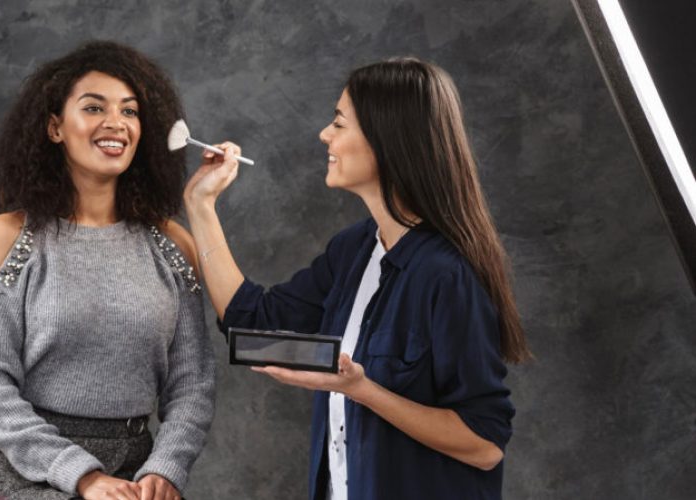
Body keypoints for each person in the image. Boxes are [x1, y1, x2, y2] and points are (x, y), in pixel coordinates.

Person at [182, 57, 530, 500]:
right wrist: (200, 206)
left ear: (388, 140)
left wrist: (361, 390)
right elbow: (252, 324)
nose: (325, 134)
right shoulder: (354, 249)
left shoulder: (448, 274)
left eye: (339, 123)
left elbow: (485, 444)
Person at [0, 40, 215, 500]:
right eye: (94, 107)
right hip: (26, 474)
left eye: (130, 111)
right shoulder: (6, 237)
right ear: (55, 127)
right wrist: (83, 477)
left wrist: (167, 468)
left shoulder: (174, 245)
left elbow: (192, 385)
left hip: (137, 475)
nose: (116, 123)